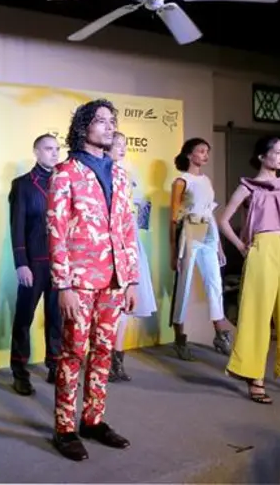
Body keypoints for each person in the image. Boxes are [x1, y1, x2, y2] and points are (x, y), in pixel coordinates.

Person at [47, 99, 139, 462]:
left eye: (112, 120)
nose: (109, 126)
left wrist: (131, 280)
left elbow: (128, 229)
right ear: (83, 126)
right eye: (101, 120)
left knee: (103, 351)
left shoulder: (119, 174)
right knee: (73, 353)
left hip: (114, 280)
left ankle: (93, 420)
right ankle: (64, 428)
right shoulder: (65, 172)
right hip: (79, 280)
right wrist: (63, 285)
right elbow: (55, 232)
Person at [217, 136, 280, 404]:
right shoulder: (248, 187)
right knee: (256, 314)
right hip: (261, 250)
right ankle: (253, 376)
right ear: (262, 156)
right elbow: (223, 220)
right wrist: (241, 246)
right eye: (277, 152)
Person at [168, 138, 233, 361]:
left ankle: (220, 334)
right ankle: (179, 338)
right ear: (189, 154)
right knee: (184, 285)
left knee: (214, 282)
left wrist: (219, 245)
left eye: (207, 151)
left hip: (207, 230)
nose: (205, 155)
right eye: (201, 151)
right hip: (190, 229)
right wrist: (173, 250)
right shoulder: (181, 181)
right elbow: (174, 218)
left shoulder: (206, 180)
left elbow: (210, 212)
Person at [8, 133, 62, 395]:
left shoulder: (64, 182)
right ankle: (19, 371)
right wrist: (21, 263)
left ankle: (55, 365)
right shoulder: (22, 185)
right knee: (24, 318)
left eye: (57, 148)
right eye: (48, 148)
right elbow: (16, 226)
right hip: (33, 263)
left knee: (57, 318)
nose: (55, 153)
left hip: (60, 263)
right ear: (36, 152)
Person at [106, 131, 157, 382]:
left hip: (130, 241)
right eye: (117, 144)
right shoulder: (98, 174)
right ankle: (102, 358)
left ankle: (117, 361)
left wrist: (138, 226)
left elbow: (143, 205)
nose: (122, 148)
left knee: (126, 303)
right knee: (107, 303)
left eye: (124, 145)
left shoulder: (128, 173)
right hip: (107, 242)